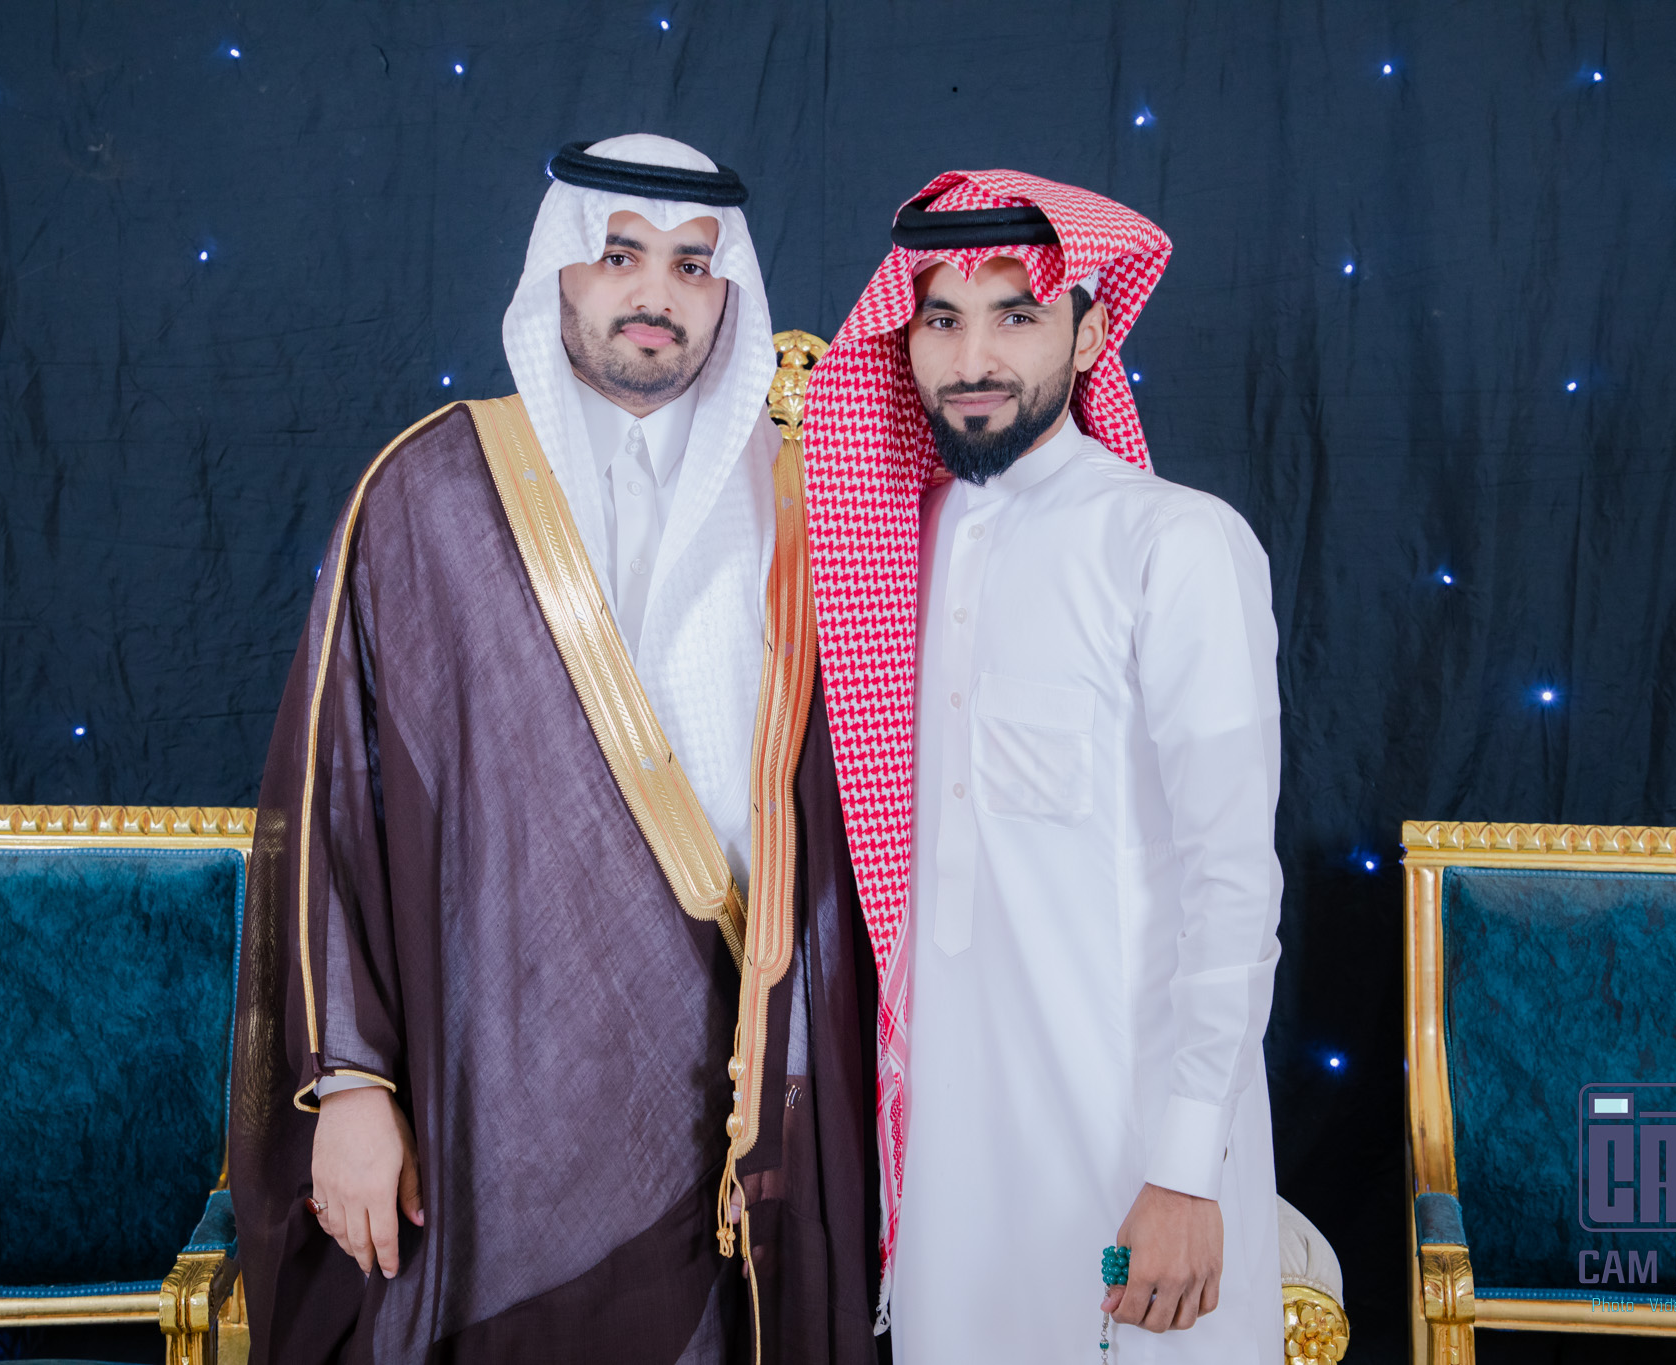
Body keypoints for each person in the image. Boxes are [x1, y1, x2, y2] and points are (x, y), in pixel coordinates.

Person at [229, 134, 881, 1365]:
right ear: (560, 275)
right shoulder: (426, 493)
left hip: (736, 1086)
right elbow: (335, 809)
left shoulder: (804, 499)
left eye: (692, 266)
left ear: (727, 293)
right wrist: (350, 1085)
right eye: (620, 255)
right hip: (485, 1086)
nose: (656, 293)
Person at [801, 170, 1283, 1361]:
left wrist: (1185, 1170)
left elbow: (1232, 883)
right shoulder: (886, 551)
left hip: (1128, 1160)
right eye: (941, 319)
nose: (972, 358)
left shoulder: (1173, 542)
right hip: (945, 1166)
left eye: (1015, 315)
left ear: (1089, 332)